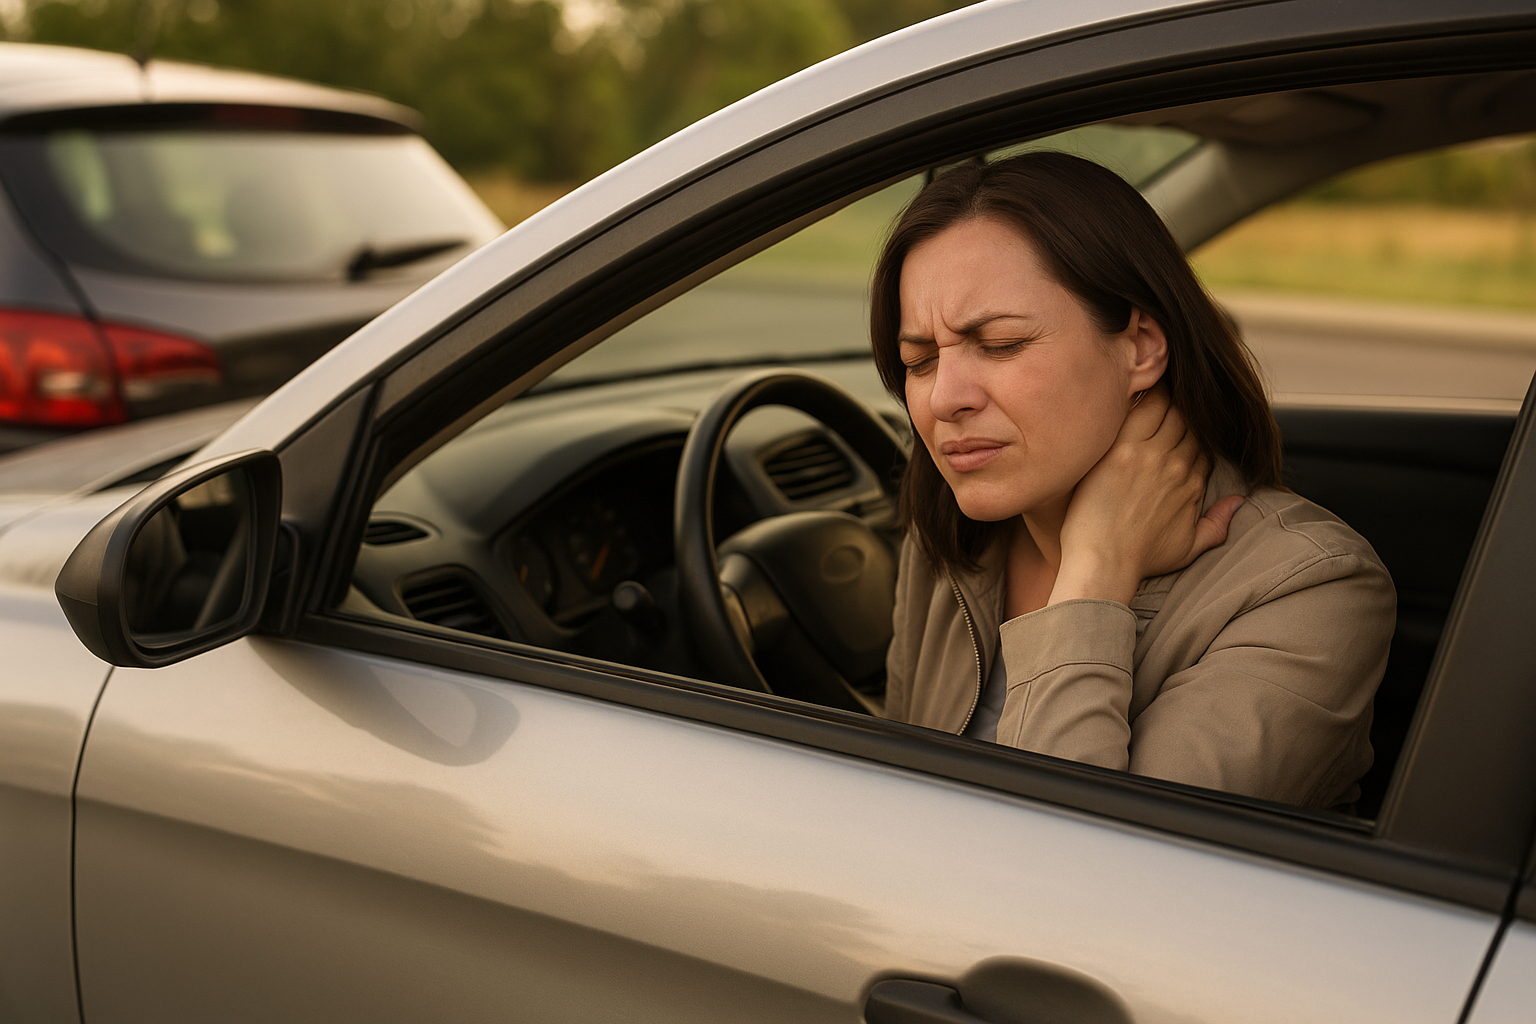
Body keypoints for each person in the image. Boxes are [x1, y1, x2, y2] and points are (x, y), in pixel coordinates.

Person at [870, 152, 1395, 811]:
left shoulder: (1311, 588)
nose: (945, 398)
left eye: (1001, 344)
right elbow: (890, 806)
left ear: (1142, 346)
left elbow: (1084, 881)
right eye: (919, 361)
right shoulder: (950, 537)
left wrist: (1095, 574)